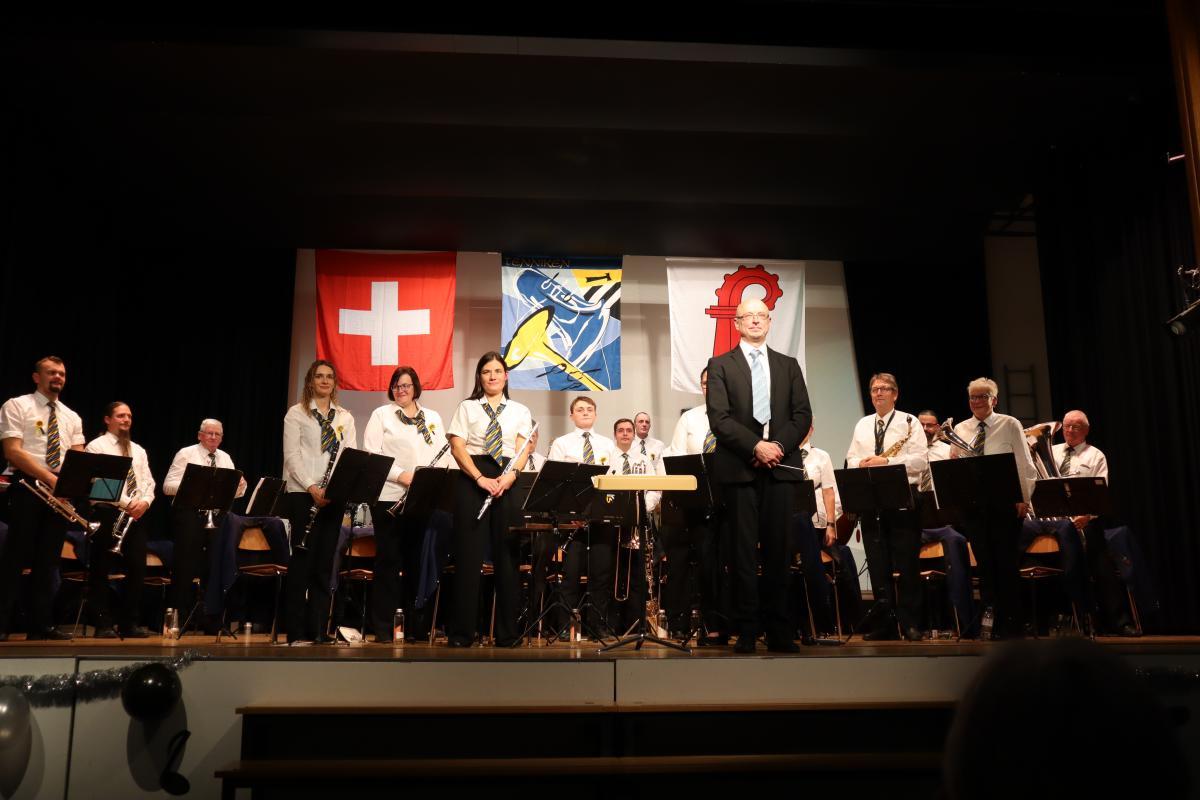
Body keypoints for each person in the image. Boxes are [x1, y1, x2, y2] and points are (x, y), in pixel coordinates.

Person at [706, 297, 812, 653]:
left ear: (769, 322)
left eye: (761, 316)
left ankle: (780, 630)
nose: (755, 320)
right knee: (742, 555)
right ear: (736, 323)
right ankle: (747, 629)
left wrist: (777, 446)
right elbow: (719, 419)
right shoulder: (720, 365)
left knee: (780, 553)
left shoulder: (788, 365)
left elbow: (802, 414)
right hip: (740, 469)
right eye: (747, 316)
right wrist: (756, 447)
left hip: (780, 468)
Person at [446, 352, 533, 647]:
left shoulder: (520, 410)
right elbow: (457, 447)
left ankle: (507, 634)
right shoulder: (467, 407)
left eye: (497, 371)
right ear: (480, 377)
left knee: (508, 559)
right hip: (473, 478)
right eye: (486, 371)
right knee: (468, 558)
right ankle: (462, 633)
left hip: (507, 479)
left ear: (506, 376)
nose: (492, 376)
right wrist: (480, 478)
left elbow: (522, 450)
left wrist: (510, 477)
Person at [362, 366, 449, 643]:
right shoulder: (382, 415)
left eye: (406, 385)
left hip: (421, 499)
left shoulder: (432, 417)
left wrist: (431, 481)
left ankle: (414, 627)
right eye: (397, 386)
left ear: (415, 388)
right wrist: (402, 475)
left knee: (416, 563)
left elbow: (443, 455)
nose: (401, 390)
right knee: (388, 562)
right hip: (389, 496)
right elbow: (373, 454)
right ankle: (383, 628)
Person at [0, 356, 85, 641]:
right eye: (51, 372)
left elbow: (78, 457)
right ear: (37, 377)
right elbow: (13, 451)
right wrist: (50, 478)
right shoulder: (17, 405)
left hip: (59, 490)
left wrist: (72, 484)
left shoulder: (72, 416)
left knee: (48, 561)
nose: (58, 377)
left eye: (62, 373)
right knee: (15, 557)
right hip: (28, 485)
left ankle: (40, 625)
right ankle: (2, 623)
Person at [952, 378, 1038, 638]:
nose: (977, 401)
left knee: (1006, 565)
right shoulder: (960, 428)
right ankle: (990, 622)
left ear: (994, 400)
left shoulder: (1009, 424)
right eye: (973, 397)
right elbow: (956, 468)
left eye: (982, 396)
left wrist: (1023, 497)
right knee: (985, 566)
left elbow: (1024, 463)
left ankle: (1011, 622)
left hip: (1004, 505)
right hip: (974, 507)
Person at [845, 373, 928, 641]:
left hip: (903, 497)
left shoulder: (909, 421)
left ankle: (910, 622)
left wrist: (886, 462)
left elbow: (920, 462)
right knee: (877, 565)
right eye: (874, 389)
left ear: (895, 394)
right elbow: (851, 458)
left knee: (907, 564)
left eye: (884, 389)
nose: (878, 393)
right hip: (871, 499)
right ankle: (885, 624)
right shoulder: (863, 424)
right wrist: (861, 463)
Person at [282, 359, 357, 644]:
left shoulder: (344, 418)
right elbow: (292, 457)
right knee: (302, 564)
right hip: (303, 494)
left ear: (335, 383)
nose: (325, 381)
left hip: (333, 496)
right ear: (310, 382)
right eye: (319, 376)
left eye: (329, 377)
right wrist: (312, 487)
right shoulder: (296, 414)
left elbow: (349, 457)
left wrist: (335, 489)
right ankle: (295, 630)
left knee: (325, 565)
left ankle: (317, 629)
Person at [1051, 410, 1141, 636]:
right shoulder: (1051, 451)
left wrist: (1087, 516)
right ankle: (1056, 619)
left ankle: (1118, 621)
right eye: (1067, 426)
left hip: (1085, 521)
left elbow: (1101, 493)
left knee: (1101, 564)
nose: (1070, 430)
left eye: (1076, 426)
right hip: (1056, 522)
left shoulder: (1095, 455)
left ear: (1086, 430)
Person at [660, 367, 728, 644]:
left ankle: (733, 623)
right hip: (698, 504)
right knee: (705, 565)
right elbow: (677, 455)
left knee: (729, 564)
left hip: (730, 501)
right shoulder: (689, 418)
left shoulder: (737, 416)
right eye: (705, 382)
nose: (709, 387)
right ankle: (710, 625)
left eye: (714, 382)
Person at [162, 418, 247, 621]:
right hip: (191, 514)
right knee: (185, 565)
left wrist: (240, 487)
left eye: (217, 434)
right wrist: (195, 484)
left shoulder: (225, 458)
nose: (213, 437)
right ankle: (179, 617)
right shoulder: (186, 453)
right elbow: (167, 486)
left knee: (215, 566)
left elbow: (234, 494)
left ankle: (211, 618)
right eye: (209, 433)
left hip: (216, 517)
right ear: (200, 435)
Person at [84, 402, 156, 638]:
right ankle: (102, 623)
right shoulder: (97, 446)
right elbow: (98, 483)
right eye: (121, 415)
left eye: (129, 416)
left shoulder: (138, 450)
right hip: (107, 512)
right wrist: (128, 503)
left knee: (137, 568)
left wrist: (145, 502)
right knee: (101, 568)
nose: (126, 420)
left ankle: (129, 623)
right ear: (108, 419)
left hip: (135, 515)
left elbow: (148, 482)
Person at [546, 396, 617, 636]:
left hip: (600, 518)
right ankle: (566, 626)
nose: (585, 412)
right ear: (572, 415)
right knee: (570, 575)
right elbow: (556, 481)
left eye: (589, 409)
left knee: (601, 575)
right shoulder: (562, 444)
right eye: (580, 409)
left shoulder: (608, 444)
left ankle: (597, 626)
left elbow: (613, 481)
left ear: (596, 414)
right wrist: (569, 515)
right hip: (572, 519)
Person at [794, 425, 863, 637]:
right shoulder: (784, 455)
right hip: (791, 525)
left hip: (818, 526)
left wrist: (831, 525)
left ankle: (842, 622)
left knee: (840, 558)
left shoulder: (821, 456)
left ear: (811, 429)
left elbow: (829, 491)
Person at [916, 410, 975, 635]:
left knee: (956, 540)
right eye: (921, 424)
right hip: (917, 523)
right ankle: (913, 623)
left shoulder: (947, 450)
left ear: (938, 427)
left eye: (930, 425)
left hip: (945, 522)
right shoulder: (910, 452)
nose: (925, 429)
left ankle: (963, 619)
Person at [608, 416, 658, 634]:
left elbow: (655, 488)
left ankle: (635, 623)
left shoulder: (644, 460)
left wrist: (642, 509)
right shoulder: (607, 458)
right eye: (621, 430)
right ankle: (613, 624)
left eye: (629, 430)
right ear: (615, 434)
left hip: (638, 524)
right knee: (615, 573)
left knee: (637, 575)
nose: (625, 433)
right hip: (614, 525)